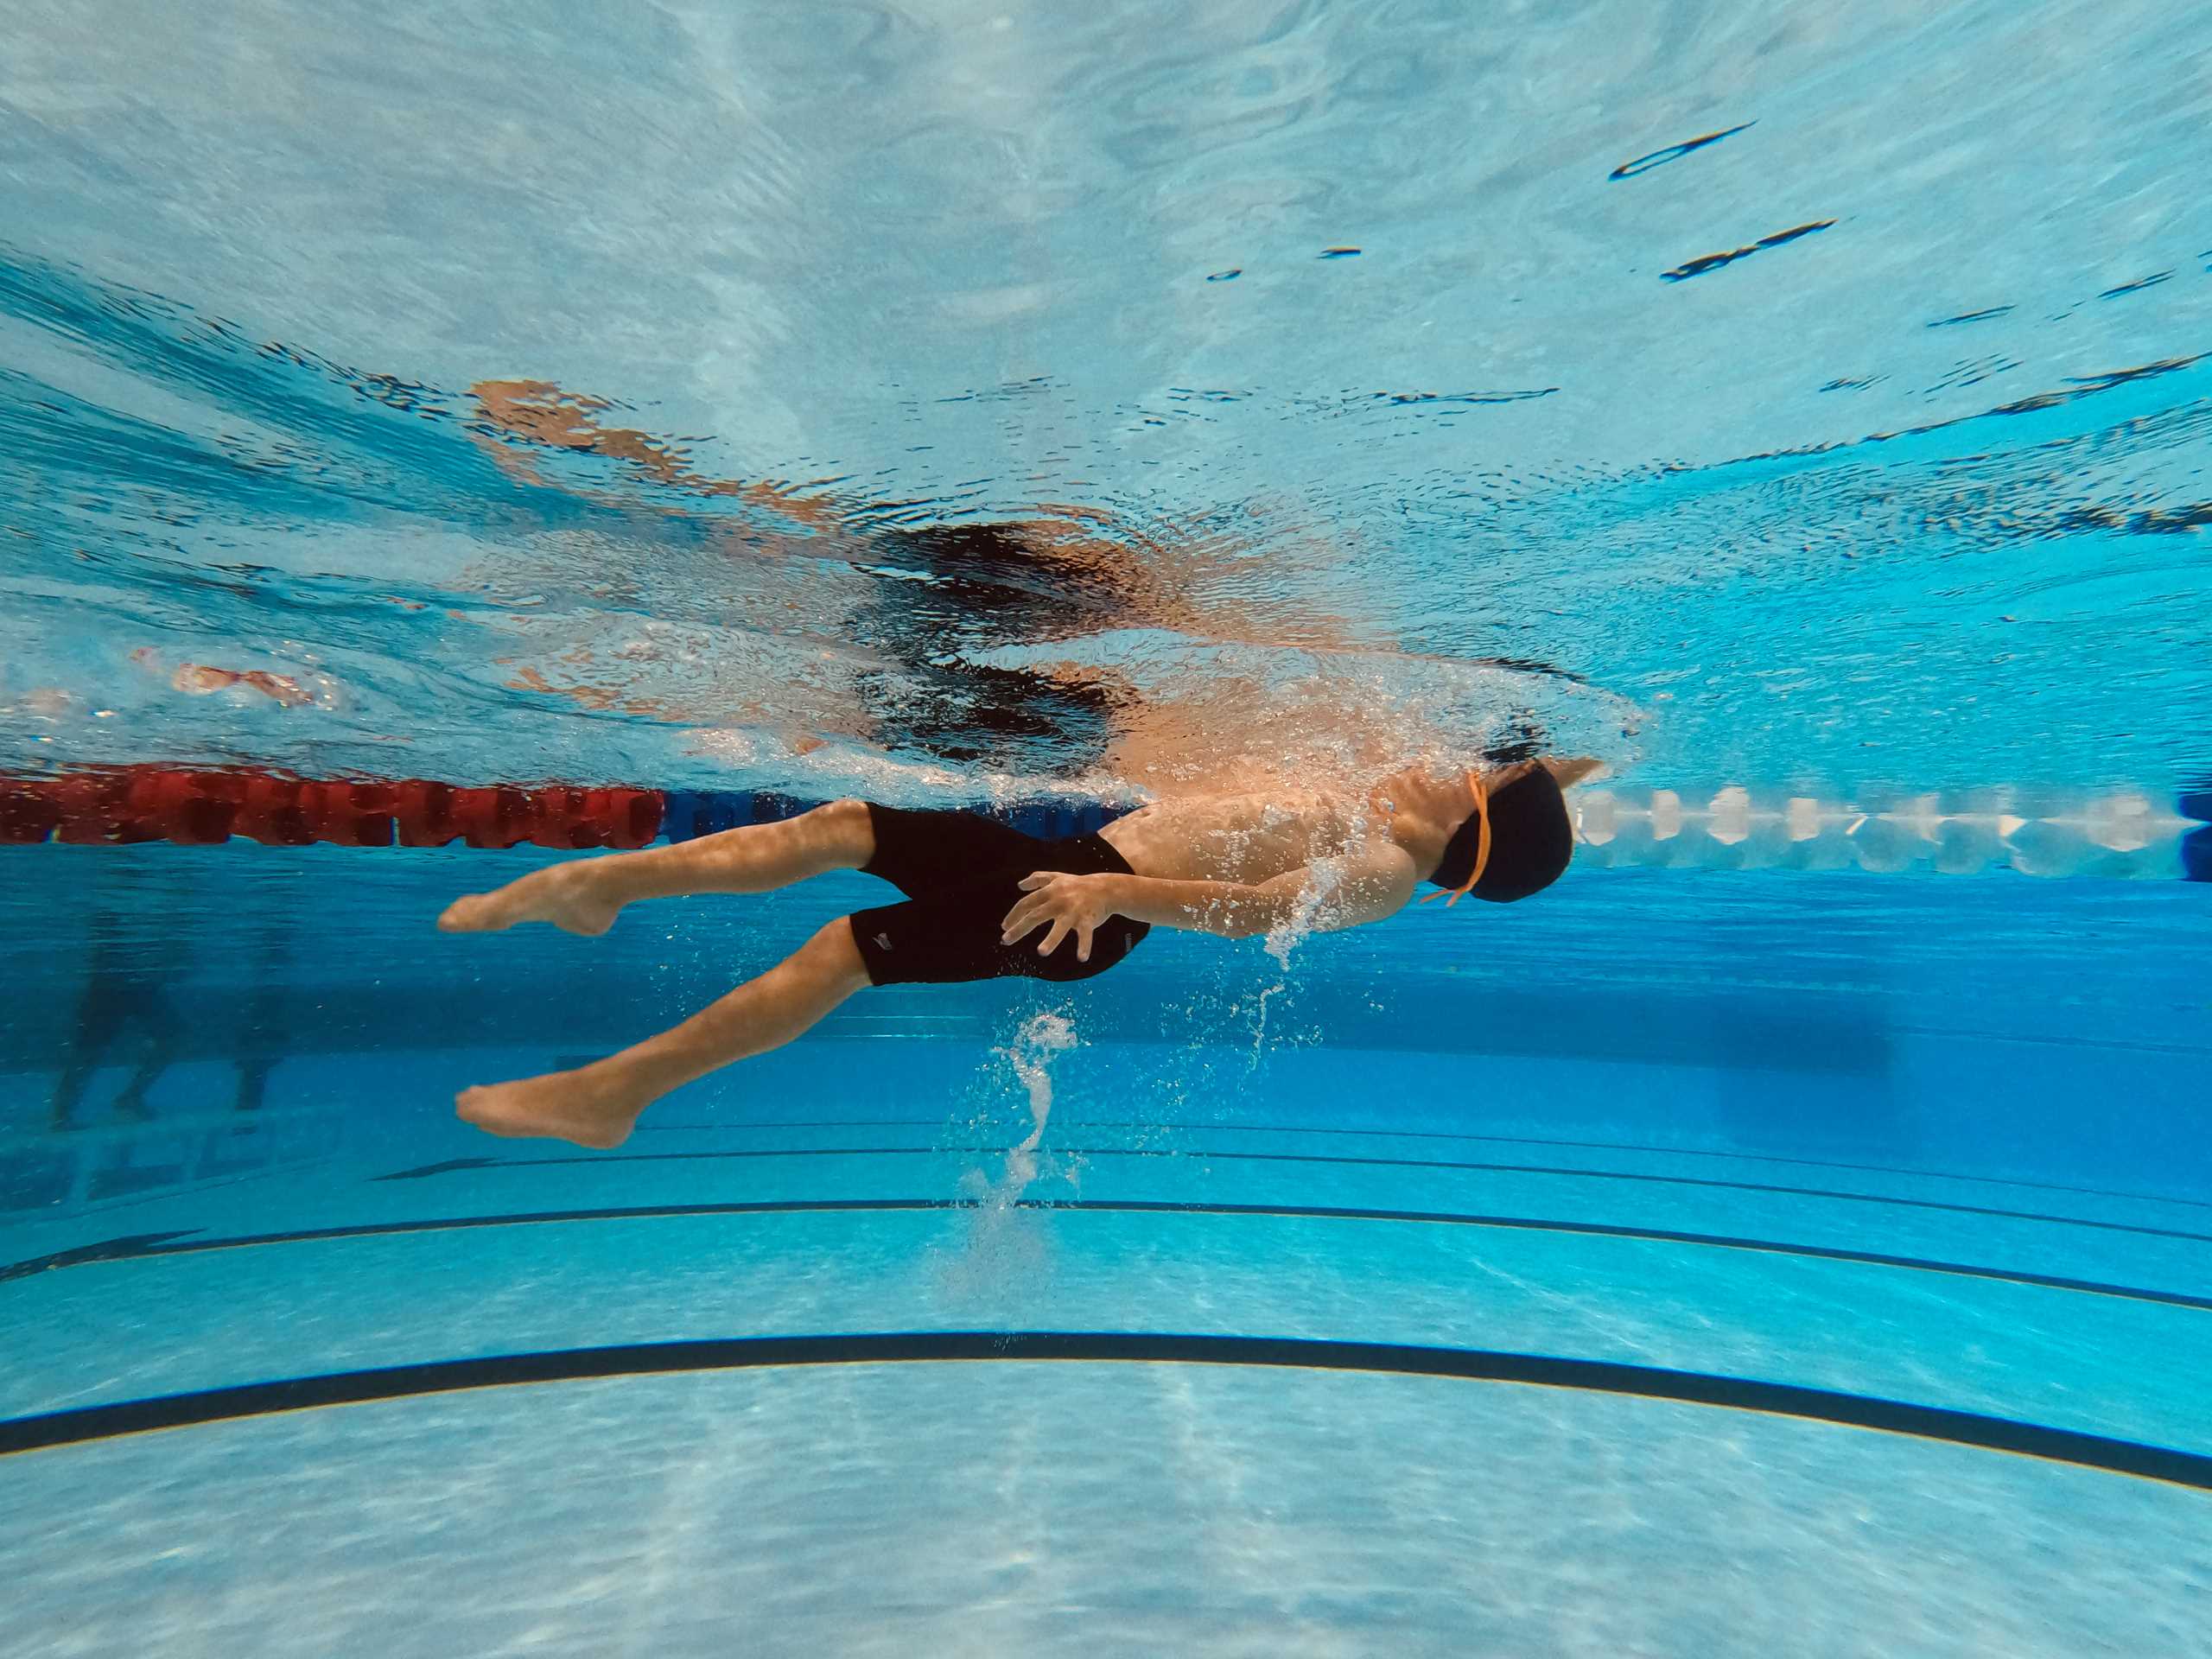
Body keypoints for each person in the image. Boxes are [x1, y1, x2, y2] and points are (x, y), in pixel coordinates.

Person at [436, 757, 1595, 1148]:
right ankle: (598, 887)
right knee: (848, 826)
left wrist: (1114, 888)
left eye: (1479, 773)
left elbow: (1256, 914)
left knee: (842, 951)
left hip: (1083, 911)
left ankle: (614, 1094)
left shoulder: (1385, 876)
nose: (1458, 756)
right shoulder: (1405, 815)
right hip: (1087, 866)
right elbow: (1551, 790)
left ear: (1476, 824)